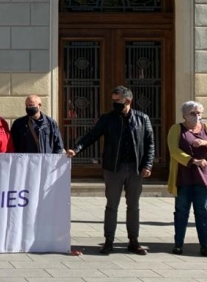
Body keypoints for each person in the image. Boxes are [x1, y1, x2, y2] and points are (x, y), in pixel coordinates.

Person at [66, 86, 154, 255]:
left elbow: (150, 144)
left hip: (135, 169)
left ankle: (133, 241)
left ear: (128, 101)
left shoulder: (143, 119)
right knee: (112, 205)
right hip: (114, 168)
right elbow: (91, 136)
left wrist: (148, 165)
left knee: (133, 206)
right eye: (113, 101)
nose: (114, 104)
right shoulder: (108, 119)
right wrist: (76, 149)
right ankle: (109, 241)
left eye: (117, 101)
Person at [168, 101, 207, 257]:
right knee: (181, 212)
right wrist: (193, 161)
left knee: (202, 212)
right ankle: (178, 244)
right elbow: (174, 150)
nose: (197, 116)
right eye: (193, 113)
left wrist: (206, 142)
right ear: (184, 115)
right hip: (183, 178)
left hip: (203, 178)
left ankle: (205, 246)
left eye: (199, 113)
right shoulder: (176, 129)